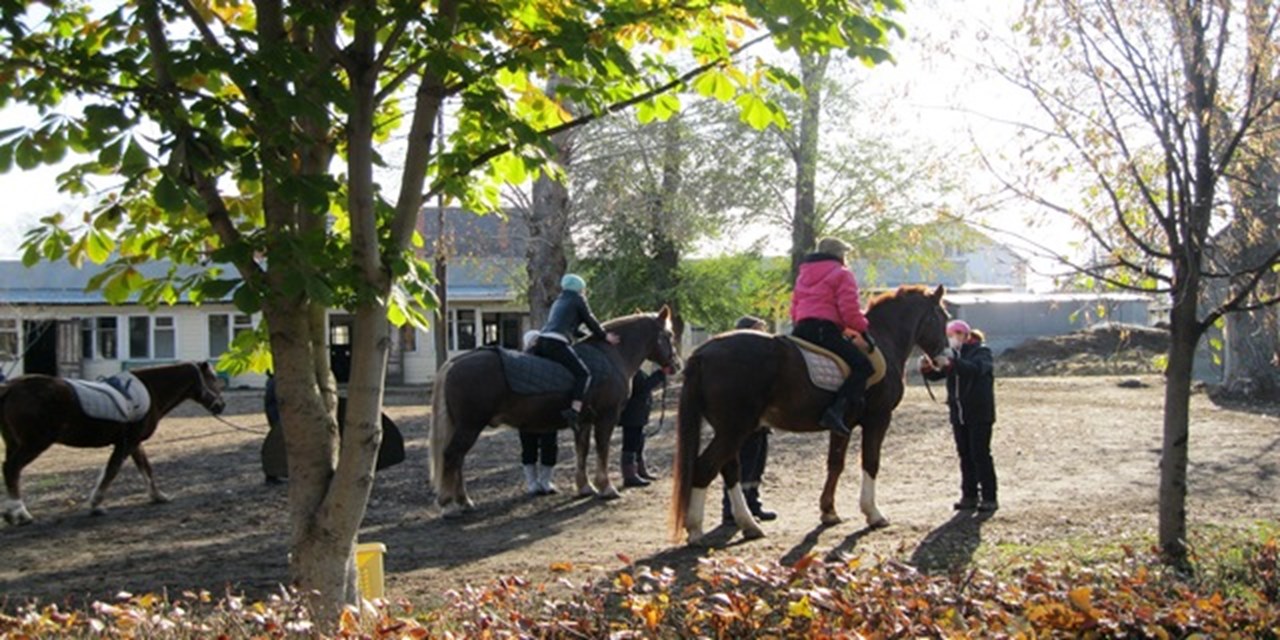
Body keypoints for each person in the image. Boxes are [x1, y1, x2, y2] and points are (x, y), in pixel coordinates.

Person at [790, 237, 876, 436]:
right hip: (824, 330)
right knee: (863, 366)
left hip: (801, 329)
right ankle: (836, 411)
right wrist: (864, 330)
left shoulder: (803, 274)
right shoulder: (842, 274)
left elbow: (794, 307)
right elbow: (849, 311)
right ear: (839, 254)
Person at [920, 319, 999, 512]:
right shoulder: (953, 354)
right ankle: (969, 495)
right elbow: (940, 374)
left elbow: (975, 369)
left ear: (965, 335)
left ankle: (989, 497)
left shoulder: (982, 352)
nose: (951, 339)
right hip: (958, 414)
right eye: (949, 336)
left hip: (979, 413)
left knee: (980, 454)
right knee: (964, 455)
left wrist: (951, 363)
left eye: (954, 335)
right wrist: (928, 369)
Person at [529, 273, 620, 432]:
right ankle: (574, 410)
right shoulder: (578, 299)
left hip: (542, 341)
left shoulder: (559, 301)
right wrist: (604, 336)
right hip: (557, 342)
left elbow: (572, 327)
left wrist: (587, 336)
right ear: (579, 288)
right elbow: (590, 319)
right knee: (584, 374)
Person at [723, 315, 776, 524]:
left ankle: (753, 503)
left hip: (760, 422)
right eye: (758, 331)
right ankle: (732, 509)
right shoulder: (735, 360)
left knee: (757, 465)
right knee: (742, 464)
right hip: (743, 422)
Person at [618, 368, 667, 488]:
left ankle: (639, 469)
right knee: (631, 442)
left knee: (639, 441)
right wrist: (660, 374)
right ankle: (629, 475)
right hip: (632, 412)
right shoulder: (633, 371)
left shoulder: (638, 370)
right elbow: (643, 387)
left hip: (638, 411)